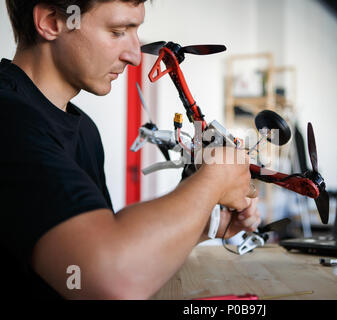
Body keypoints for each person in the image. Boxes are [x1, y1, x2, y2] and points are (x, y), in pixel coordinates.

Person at [0, 0, 260, 299]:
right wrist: (214, 180)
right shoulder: (7, 118)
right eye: (118, 31)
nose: (136, 56)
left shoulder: (85, 130)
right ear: (51, 21)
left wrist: (203, 222)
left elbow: (121, 258)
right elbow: (108, 280)